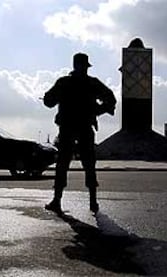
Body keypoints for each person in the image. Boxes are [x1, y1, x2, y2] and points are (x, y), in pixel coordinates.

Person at [43, 53, 116, 214]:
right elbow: (111, 100)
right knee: (89, 164)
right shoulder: (92, 83)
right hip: (84, 128)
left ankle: (57, 200)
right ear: (85, 66)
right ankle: (93, 202)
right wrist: (97, 111)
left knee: (63, 164)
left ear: (74, 65)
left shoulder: (64, 83)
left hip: (68, 128)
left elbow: (48, 101)